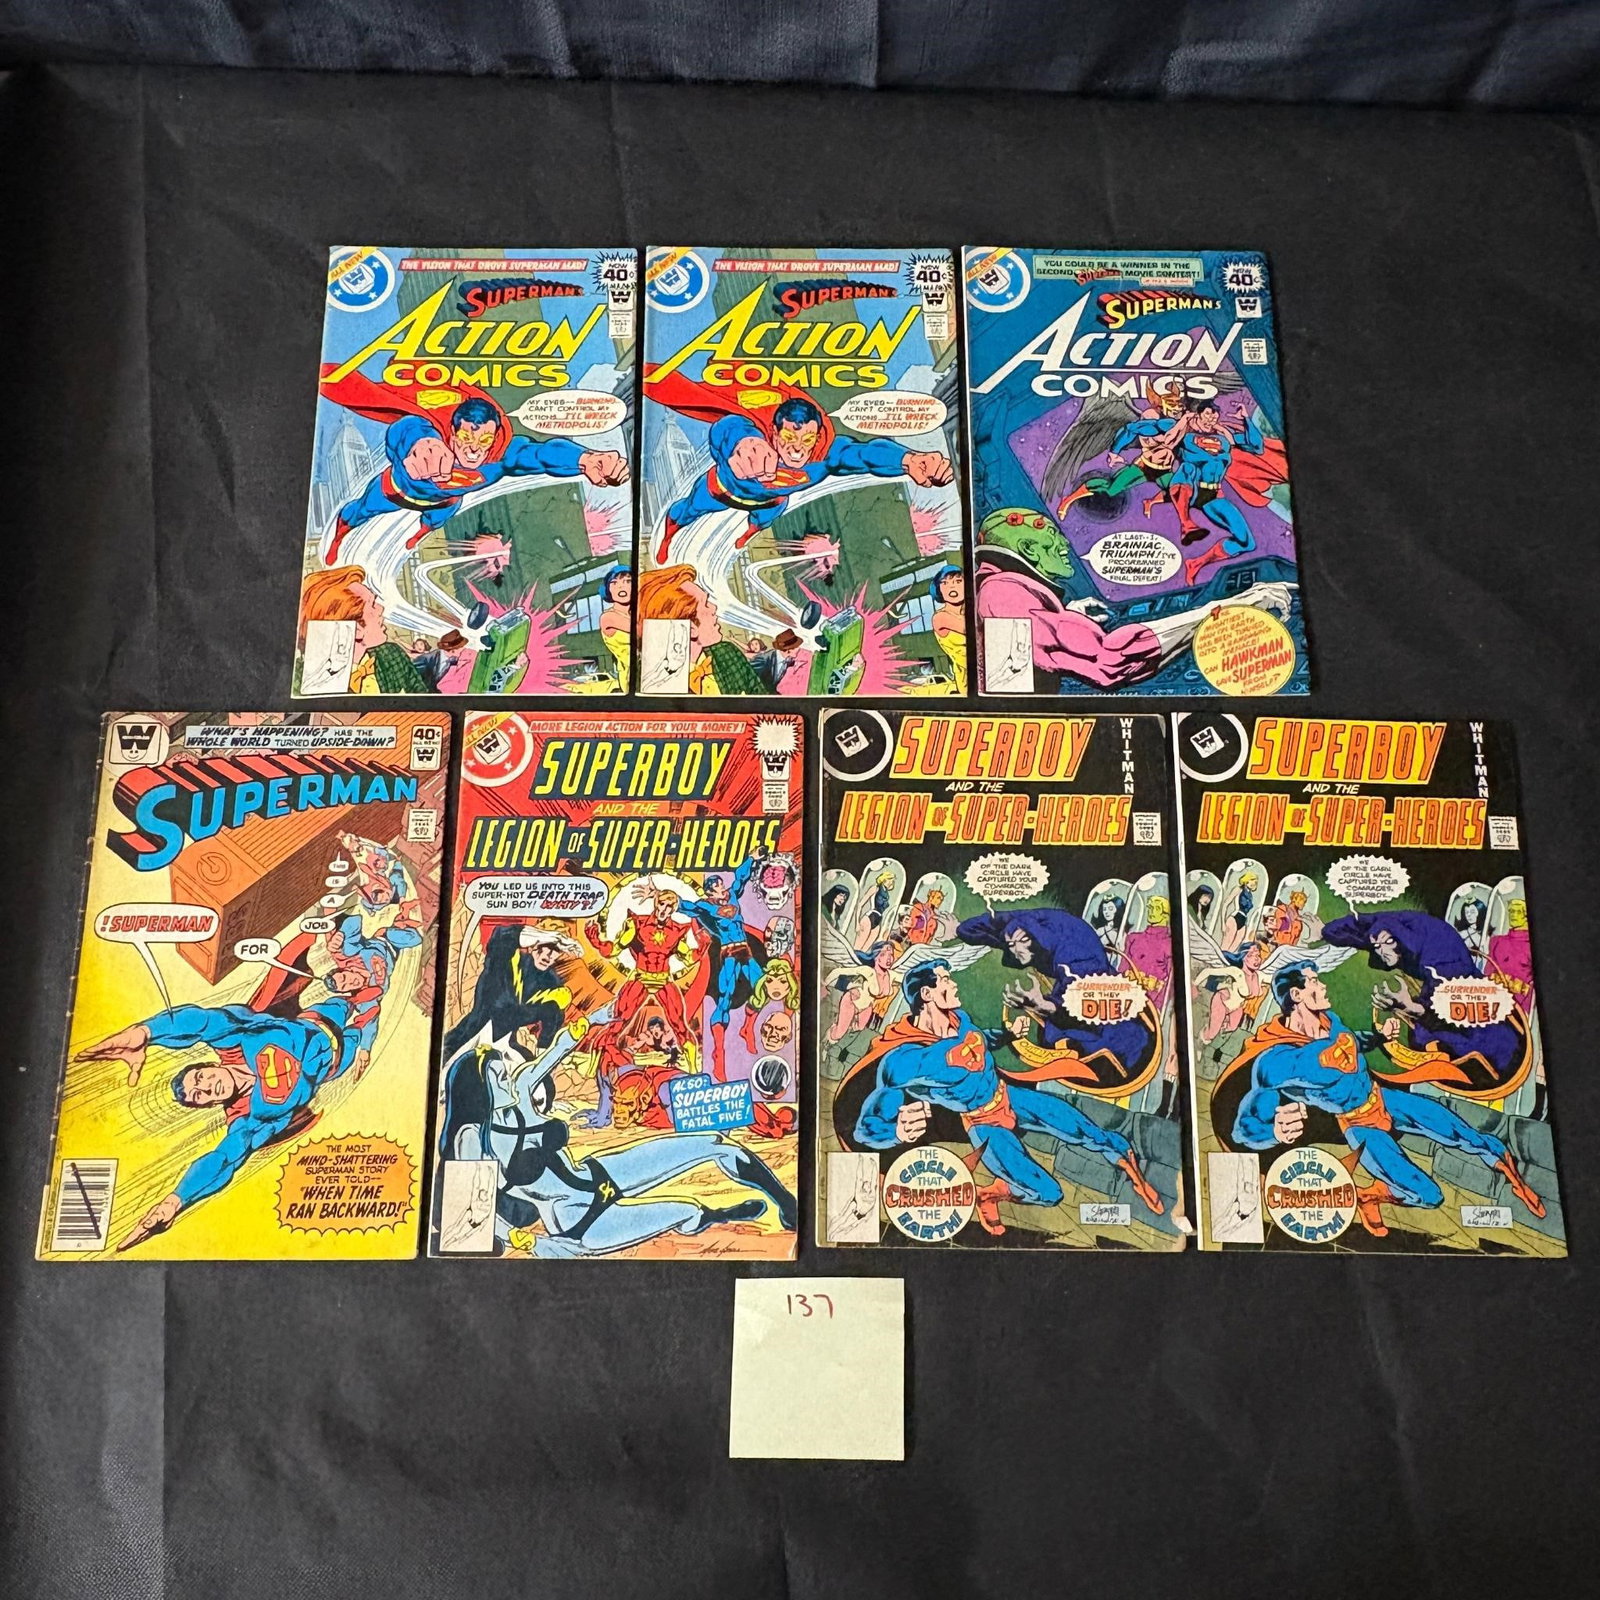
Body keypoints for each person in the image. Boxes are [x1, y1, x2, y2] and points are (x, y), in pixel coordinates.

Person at [75, 956, 379, 1251]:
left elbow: (201, 1022)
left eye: (201, 1078)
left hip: (321, 1018)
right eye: (200, 1095)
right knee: (367, 1024)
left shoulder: (234, 1039)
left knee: (356, 998)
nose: (207, 1086)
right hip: (339, 1058)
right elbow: (224, 1159)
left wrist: (146, 1032)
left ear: (210, 1065)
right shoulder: (248, 1117)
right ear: (210, 1105)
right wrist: (176, 1201)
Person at [1225, 964, 1543, 1237]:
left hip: (1385, 1099)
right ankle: (1371, 1196)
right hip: (1360, 1127)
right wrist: (1273, 1131)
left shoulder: (1330, 1020)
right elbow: (1243, 1127)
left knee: (1465, 1135)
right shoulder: (1277, 1059)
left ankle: (1516, 1182)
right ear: (1297, 995)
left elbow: (1353, 1041)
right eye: (1314, 982)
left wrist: (1379, 1036)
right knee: (1429, 1196)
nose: (1323, 986)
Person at [847, 960, 1163, 1218]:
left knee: (1087, 1132)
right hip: (984, 1125)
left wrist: (1007, 1034)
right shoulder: (903, 1059)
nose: (954, 985)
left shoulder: (959, 1019)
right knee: (1049, 1194)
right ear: (927, 994)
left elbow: (980, 1039)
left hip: (1009, 1097)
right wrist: (896, 1131)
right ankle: (993, 1194)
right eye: (946, 980)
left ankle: (1137, 1179)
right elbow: (864, 1128)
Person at [645, 376, 953, 562]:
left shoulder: (823, 457)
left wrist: (907, 460)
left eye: (806, 440)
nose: (796, 449)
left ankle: (748, 532)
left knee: (761, 521)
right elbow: (728, 425)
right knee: (685, 512)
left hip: (771, 502)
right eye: (789, 438)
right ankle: (669, 538)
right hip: (722, 490)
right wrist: (742, 443)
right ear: (774, 433)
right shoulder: (754, 437)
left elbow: (865, 453)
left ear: (816, 438)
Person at [318, 380, 628, 562]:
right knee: (357, 513)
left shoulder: (498, 459)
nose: (473, 449)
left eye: (483, 440)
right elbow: (407, 426)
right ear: (452, 434)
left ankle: (420, 532)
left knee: (434, 520)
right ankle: (337, 539)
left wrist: (585, 459)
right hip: (395, 492)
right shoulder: (430, 438)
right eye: (466, 437)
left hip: (445, 503)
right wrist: (419, 444)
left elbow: (541, 454)